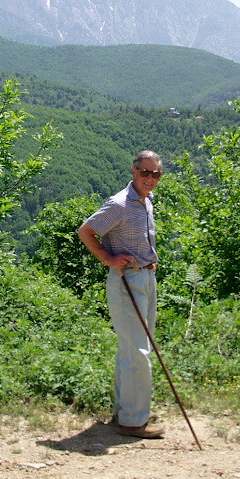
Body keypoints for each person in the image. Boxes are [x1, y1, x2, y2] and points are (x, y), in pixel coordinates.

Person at [77, 150, 165, 439]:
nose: (150, 178)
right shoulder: (120, 204)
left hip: (146, 277)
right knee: (138, 351)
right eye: (145, 172)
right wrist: (108, 259)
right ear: (133, 171)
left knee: (134, 348)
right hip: (127, 280)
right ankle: (133, 422)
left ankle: (128, 410)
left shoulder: (146, 202)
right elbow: (86, 231)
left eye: (156, 174)